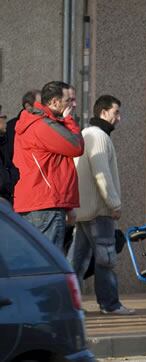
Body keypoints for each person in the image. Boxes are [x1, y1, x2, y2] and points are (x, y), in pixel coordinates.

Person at [68, 95, 134, 315]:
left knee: (77, 260)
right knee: (105, 258)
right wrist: (114, 203)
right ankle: (110, 304)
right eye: (116, 112)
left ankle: (71, 305)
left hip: (84, 210)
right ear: (104, 112)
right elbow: (101, 173)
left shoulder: (87, 134)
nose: (119, 118)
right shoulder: (99, 137)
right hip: (99, 210)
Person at [13, 81, 84, 251]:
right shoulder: (44, 125)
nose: (73, 105)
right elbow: (76, 146)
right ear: (54, 102)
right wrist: (69, 120)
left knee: (35, 263)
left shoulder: (35, 122)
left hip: (36, 204)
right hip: (46, 206)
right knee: (49, 266)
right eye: (69, 100)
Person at [2, 90, 40, 204]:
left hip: (36, 190)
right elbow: (7, 158)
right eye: (41, 104)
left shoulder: (43, 126)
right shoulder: (10, 128)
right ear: (28, 107)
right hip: (17, 189)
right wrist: (13, 179)